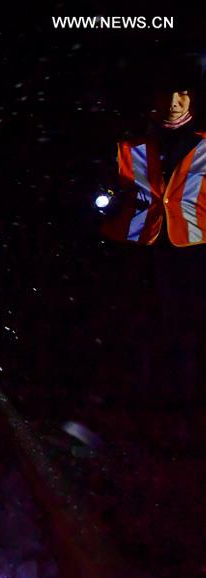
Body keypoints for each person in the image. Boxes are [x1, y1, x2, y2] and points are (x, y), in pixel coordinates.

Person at [100, 60, 206, 407]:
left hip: (192, 251)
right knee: (137, 328)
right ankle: (136, 402)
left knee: (187, 334)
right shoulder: (126, 141)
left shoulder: (204, 141)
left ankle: (184, 407)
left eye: (183, 94)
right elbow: (95, 191)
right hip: (135, 249)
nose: (174, 102)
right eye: (166, 93)